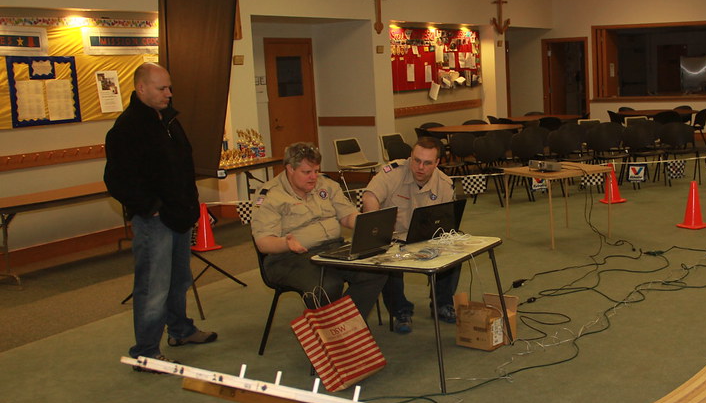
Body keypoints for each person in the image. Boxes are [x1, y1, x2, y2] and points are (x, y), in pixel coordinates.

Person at [104, 63, 217, 370]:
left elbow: (182, 165)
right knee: (153, 287)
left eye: (169, 87)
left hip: (179, 215)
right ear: (141, 89)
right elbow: (117, 180)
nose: (169, 93)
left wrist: (190, 205)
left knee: (179, 280)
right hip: (155, 220)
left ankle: (180, 331)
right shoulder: (126, 129)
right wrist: (150, 206)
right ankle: (146, 352)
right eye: (161, 88)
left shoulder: (168, 120)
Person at [250, 142, 386, 321]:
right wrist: (285, 243)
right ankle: (343, 331)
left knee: (377, 271)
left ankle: (348, 325)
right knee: (327, 285)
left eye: (316, 170)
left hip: (332, 249)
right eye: (307, 172)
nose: (314, 177)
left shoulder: (326, 184)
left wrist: (368, 225)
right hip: (288, 258)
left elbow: (347, 216)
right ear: (290, 169)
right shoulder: (270, 195)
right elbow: (263, 242)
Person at [362, 137, 459, 334]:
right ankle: (400, 311)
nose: (420, 167)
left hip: (427, 238)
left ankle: (442, 304)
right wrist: (378, 224)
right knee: (387, 261)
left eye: (427, 163)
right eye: (416, 160)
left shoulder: (444, 184)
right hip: (394, 238)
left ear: (437, 163)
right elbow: (370, 196)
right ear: (410, 157)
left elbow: (447, 222)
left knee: (455, 254)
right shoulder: (393, 172)